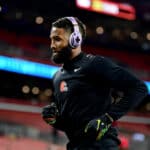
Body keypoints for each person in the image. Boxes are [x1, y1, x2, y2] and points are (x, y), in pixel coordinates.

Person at [41, 16, 148, 150]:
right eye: (51, 39)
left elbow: (139, 88)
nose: (52, 45)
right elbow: (72, 125)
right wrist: (55, 120)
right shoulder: (57, 77)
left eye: (57, 39)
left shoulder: (95, 64)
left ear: (75, 39)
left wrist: (108, 118)